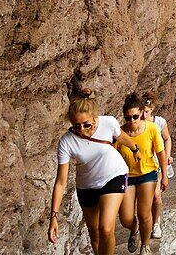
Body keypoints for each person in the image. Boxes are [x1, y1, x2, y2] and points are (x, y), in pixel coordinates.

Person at [48, 89, 143, 255]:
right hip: (87, 186)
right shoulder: (66, 142)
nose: (82, 130)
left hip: (114, 175)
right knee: (95, 234)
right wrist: (53, 217)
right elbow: (61, 181)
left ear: (94, 118)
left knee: (106, 228)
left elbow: (122, 137)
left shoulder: (108, 123)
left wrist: (135, 149)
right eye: (76, 126)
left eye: (87, 125)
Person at [116, 93, 167, 254]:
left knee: (144, 213)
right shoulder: (119, 133)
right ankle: (134, 228)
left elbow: (160, 153)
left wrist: (164, 175)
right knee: (125, 217)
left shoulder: (151, 128)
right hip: (127, 176)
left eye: (135, 116)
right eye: (128, 118)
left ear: (141, 113)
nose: (132, 121)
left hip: (148, 174)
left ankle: (145, 246)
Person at [140, 90, 172, 239]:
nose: (143, 115)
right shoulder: (136, 123)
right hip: (144, 163)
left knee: (157, 196)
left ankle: (156, 224)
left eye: (146, 111)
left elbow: (167, 138)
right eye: (142, 111)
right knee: (149, 197)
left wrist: (168, 155)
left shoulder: (159, 122)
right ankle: (147, 223)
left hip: (158, 162)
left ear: (151, 109)